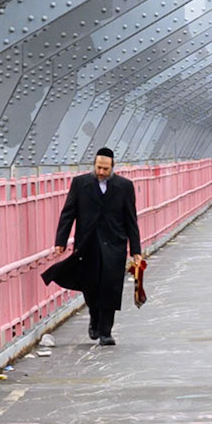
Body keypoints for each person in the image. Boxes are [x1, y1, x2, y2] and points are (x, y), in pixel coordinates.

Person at [52, 146, 144, 346]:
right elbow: (68, 213)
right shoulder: (80, 184)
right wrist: (60, 241)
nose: (101, 172)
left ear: (113, 167)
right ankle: (94, 318)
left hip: (115, 244)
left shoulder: (125, 186)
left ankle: (105, 331)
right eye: (98, 168)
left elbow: (131, 219)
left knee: (111, 286)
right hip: (88, 243)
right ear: (94, 165)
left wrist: (136, 250)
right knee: (91, 285)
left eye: (105, 169)